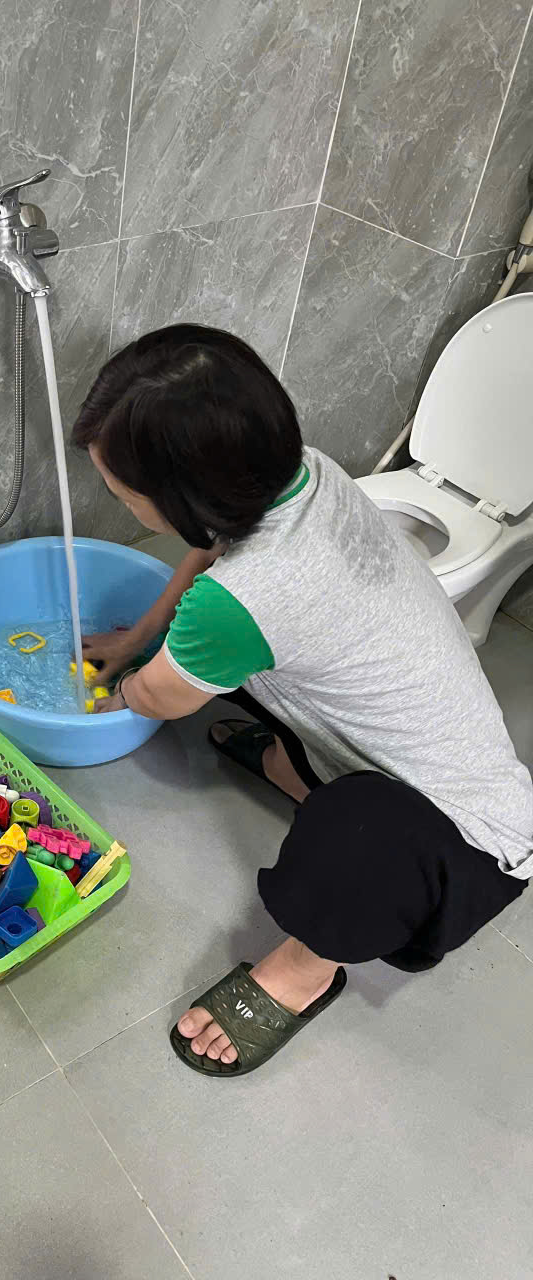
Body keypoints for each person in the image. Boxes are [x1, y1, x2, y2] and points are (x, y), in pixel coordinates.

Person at [72, 324, 532, 1078]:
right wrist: (140, 635)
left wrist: (114, 688)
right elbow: (216, 548)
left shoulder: (243, 603)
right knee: (244, 667)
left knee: (354, 826)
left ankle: (303, 969)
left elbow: (159, 698)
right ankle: (303, 774)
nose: (118, 501)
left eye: (123, 494)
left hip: (470, 846)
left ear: (181, 497)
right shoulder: (303, 473)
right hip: (398, 741)